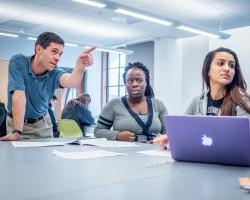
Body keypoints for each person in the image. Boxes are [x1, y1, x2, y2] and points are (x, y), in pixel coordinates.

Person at [0, 32, 95, 141]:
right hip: (16, 123)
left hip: (42, 125)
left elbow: (70, 81)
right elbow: (19, 97)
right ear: (38, 49)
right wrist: (17, 132)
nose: (57, 58)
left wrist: (80, 67)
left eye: (60, 54)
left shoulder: (55, 72)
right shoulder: (18, 62)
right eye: (54, 52)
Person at [154, 47, 250, 146]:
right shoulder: (197, 100)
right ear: (208, 70)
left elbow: (245, 140)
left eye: (231, 65)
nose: (227, 68)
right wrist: (169, 138)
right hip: (201, 155)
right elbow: (182, 129)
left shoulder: (241, 100)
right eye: (221, 63)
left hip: (229, 158)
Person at [94, 62, 168, 142]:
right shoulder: (114, 104)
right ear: (125, 83)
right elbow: (98, 131)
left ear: (146, 82)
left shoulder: (158, 104)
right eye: (129, 81)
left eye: (139, 80)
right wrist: (117, 135)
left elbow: (168, 132)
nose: (135, 84)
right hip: (123, 152)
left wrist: (163, 139)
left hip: (153, 151)